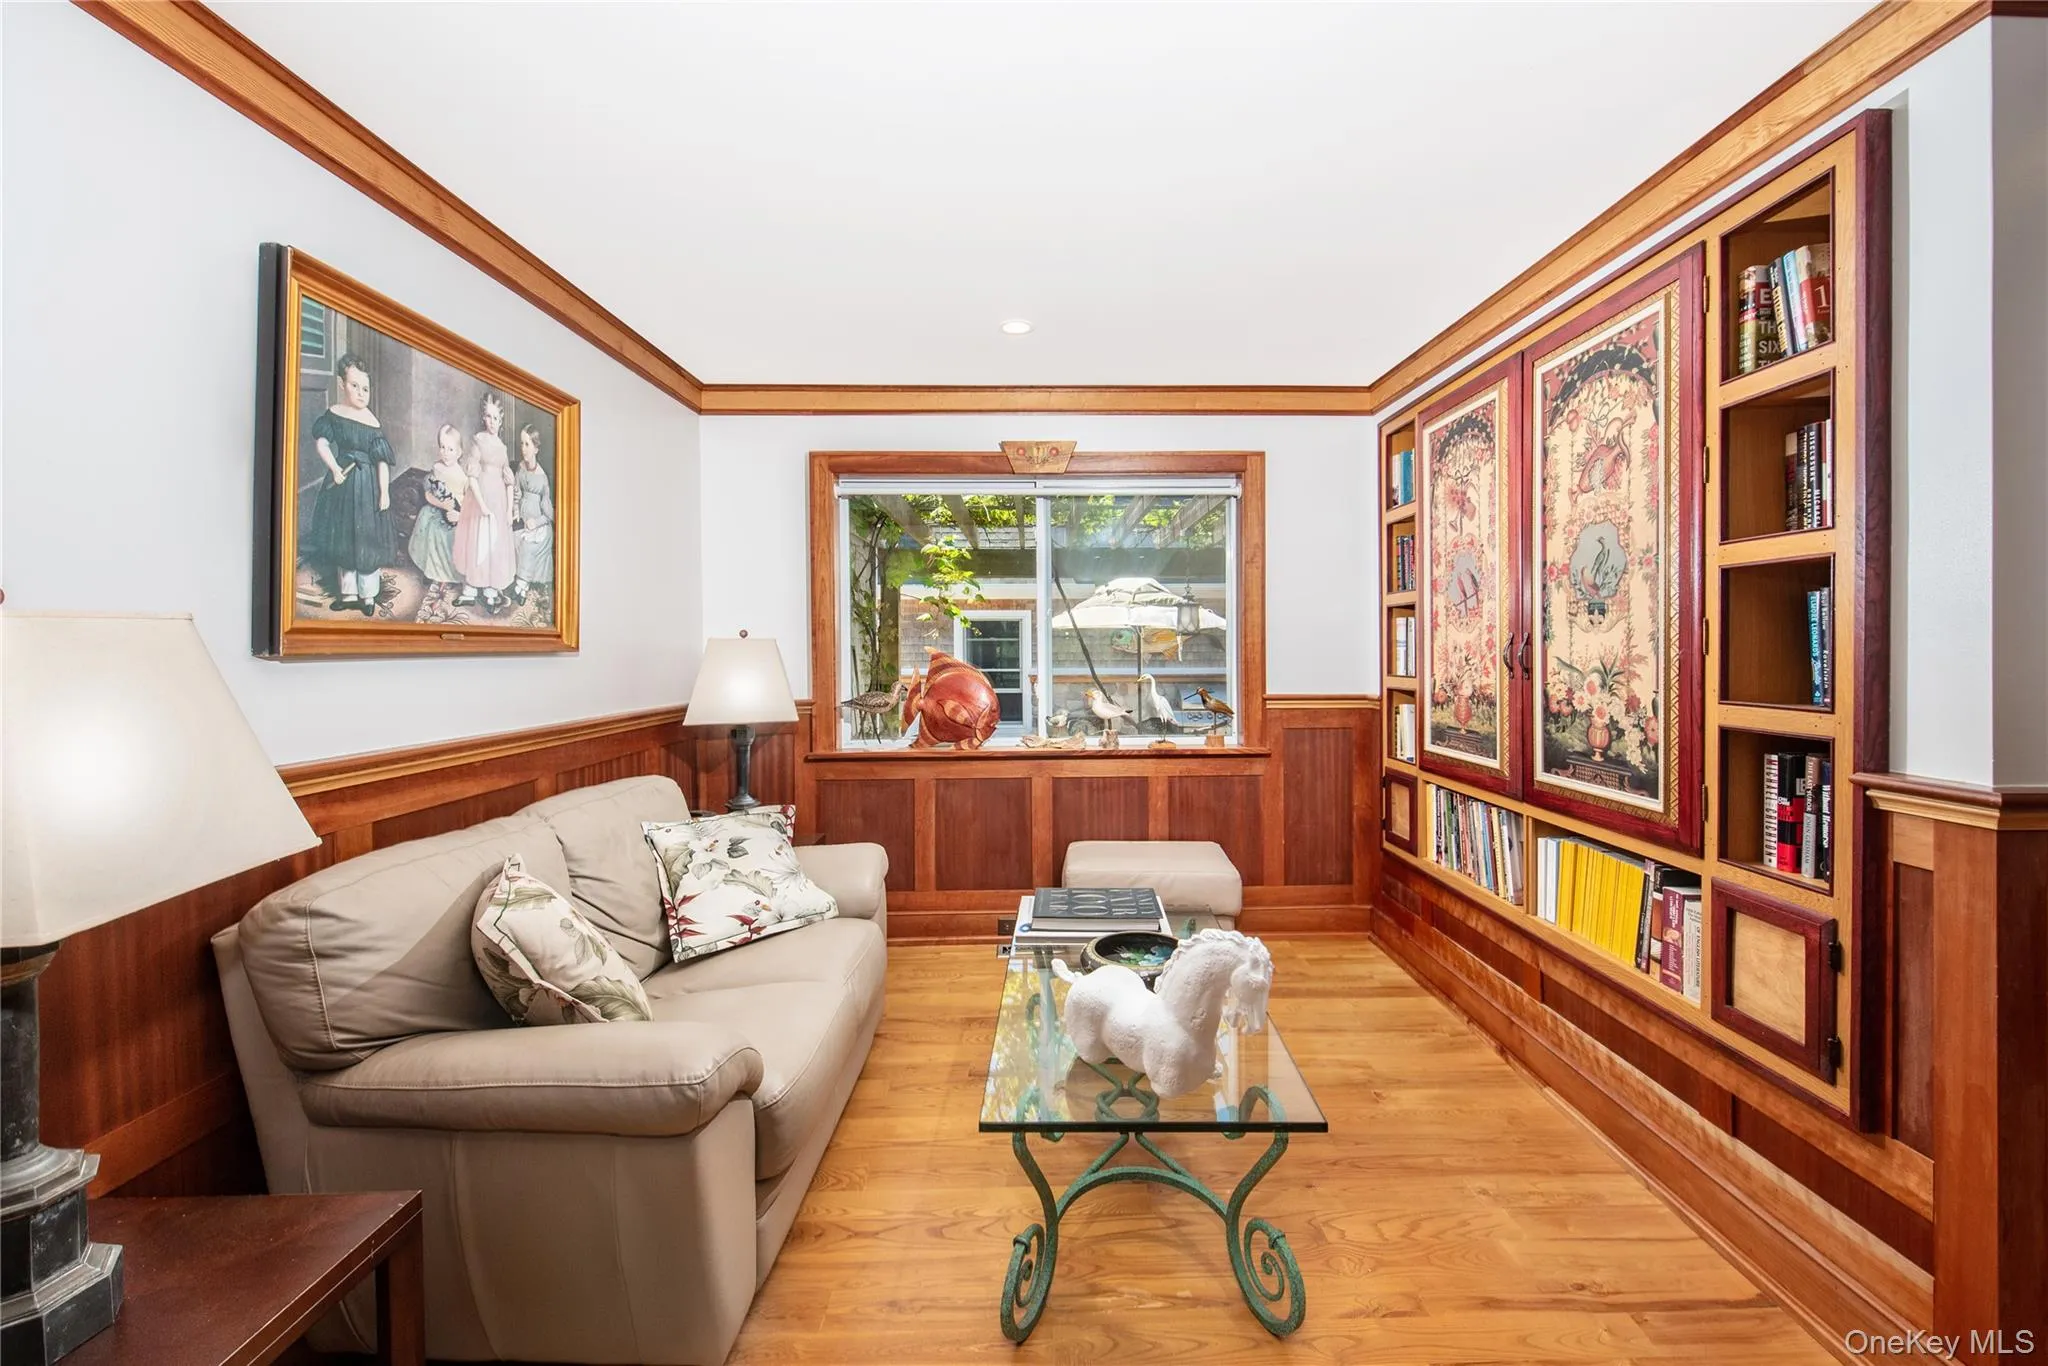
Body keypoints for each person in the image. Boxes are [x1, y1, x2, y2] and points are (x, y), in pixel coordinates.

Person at [302, 352, 394, 615]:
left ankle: (367, 595)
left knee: (365, 538)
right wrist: (334, 468)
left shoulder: (372, 423)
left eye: (365, 388)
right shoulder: (334, 415)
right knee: (343, 536)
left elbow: (382, 462)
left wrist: (384, 491)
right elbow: (322, 444)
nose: (361, 393)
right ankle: (348, 592)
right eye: (355, 386)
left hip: (367, 487)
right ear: (342, 385)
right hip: (342, 484)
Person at [451, 392, 518, 612]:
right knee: (478, 541)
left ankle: (490, 589)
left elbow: (509, 481)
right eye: (488, 417)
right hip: (480, 499)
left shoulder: (502, 447)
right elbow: (472, 475)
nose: (492, 422)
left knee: (494, 543)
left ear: (501, 420)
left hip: (498, 500)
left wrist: (508, 510)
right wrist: (481, 505)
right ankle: (471, 588)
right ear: (483, 417)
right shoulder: (478, 441)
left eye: (496, 418)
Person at [405, 423, 468, 594]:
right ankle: (431, 572)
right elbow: (428, 494)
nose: (445, 453)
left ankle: (447, 575)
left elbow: (468, 503)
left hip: (454, 516)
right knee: (429, 528)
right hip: (435, 510)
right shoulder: (437, 468)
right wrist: (439, 504)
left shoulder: (462, 476)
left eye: (451, 449)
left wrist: (459, 514)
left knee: (448, 537)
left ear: (459, 452)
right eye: (442, 448)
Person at [510, 423, 554, 606]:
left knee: (528, 546)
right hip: (521, 521)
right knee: (511, 539)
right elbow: (516, 492)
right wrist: (514, 507)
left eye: (527, 444)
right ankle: (512, 581)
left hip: (538, 526)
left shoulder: (542, 479)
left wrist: (536, 522)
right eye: (522, 443)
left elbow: (549, 514)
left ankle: (521, 588)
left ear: (536, 448)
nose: (523, 449)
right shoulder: (521, 468)